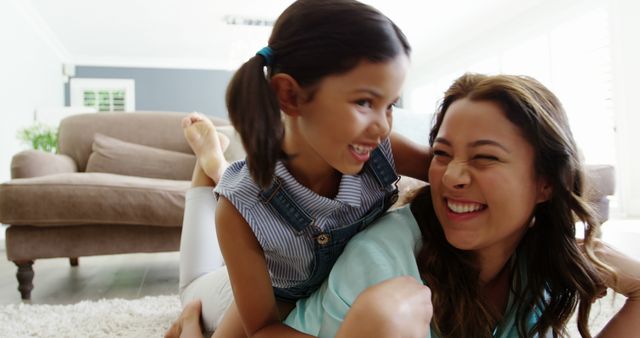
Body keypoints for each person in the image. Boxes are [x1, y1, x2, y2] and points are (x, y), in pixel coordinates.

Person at [171, 72, 640, 337]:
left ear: (545, 185)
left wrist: (576, 246)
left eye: (485, 157)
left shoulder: (540, 259)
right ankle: (212, 161)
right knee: (212, 252)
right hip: (250, 285)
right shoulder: (384, 269)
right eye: (442, 153)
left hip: (308, 247)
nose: (452, 176)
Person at [169, 0, 430, 337]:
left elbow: (448, 170)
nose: (382, 127)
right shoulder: (237, 210)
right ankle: (210, 164)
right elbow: (263, 328)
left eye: (390, 105)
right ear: (290, 96)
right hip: (279, 294)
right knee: (196, 294)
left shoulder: (380, 147)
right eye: (364, 102)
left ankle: (217, 163)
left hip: (302, 249)